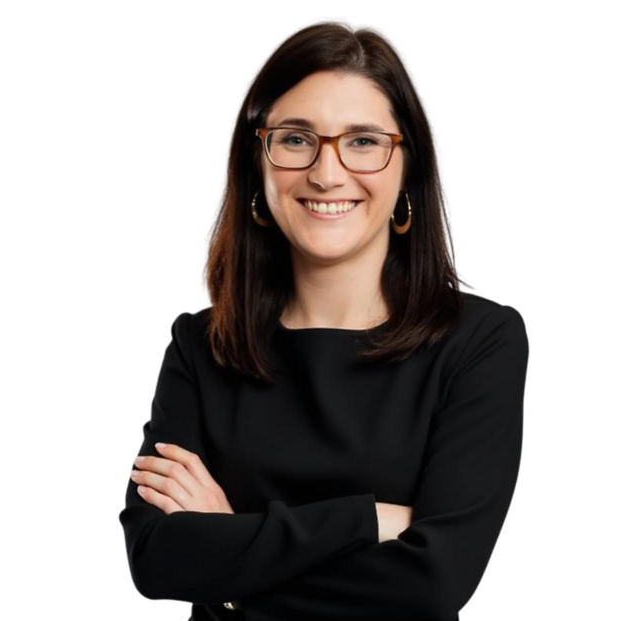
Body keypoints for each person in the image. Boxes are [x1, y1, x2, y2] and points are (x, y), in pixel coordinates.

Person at [117, 17, 530, 620]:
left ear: (408, 166)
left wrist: (231, 569)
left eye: (363, 141)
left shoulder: (479, 340)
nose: (327, 173)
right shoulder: (199, 345)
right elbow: (155, 561)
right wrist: (367, 519)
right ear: (257, 163)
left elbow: (435, 586)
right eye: (295, 139)